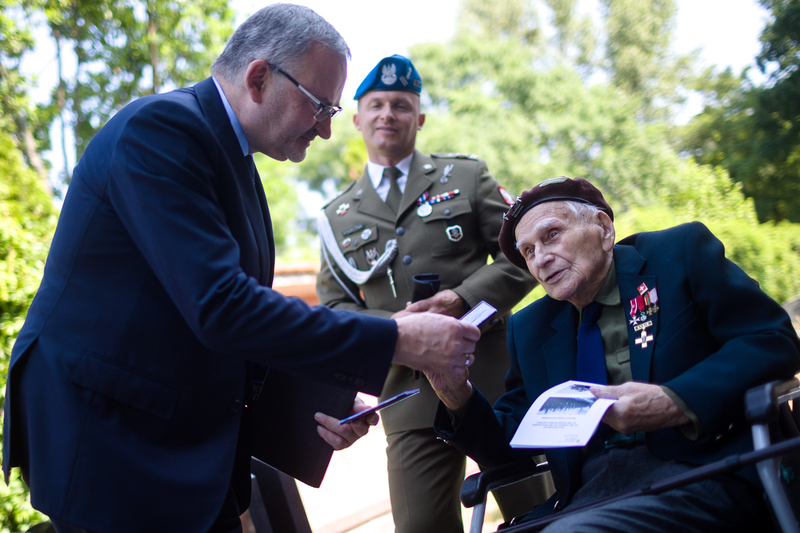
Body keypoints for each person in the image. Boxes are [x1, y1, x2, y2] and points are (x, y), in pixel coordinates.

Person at [1, 6, 482, 533]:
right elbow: (221, 307)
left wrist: (320, 406)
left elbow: (236, 327)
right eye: (321, 106)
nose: (326, 130)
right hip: (113, 437)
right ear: (259, 78)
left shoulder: (237, 162)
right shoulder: (159, 131)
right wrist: (396, 338)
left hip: (170, 435)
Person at [427, 176, 800, 532]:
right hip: (590, 495)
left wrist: (674, 401)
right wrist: (454, 392)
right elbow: (510, 445)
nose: (540, 258)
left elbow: (772, 339)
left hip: (703, 467)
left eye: (552, 235)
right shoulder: (530, 328)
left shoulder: (677, 255)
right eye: (528, 251)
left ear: (604, 229)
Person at [316, 54, 553, 533]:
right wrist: (395, 333)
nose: (388, 115)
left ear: (419, 118)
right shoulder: (335, 217)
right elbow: (335, 310)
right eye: (376, 105)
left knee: (541, 517)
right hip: (406, 395)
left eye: (401, 105)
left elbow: (526, 253)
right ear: (357, 117)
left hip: (493, 380)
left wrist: (462, 299)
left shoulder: (465, 178)